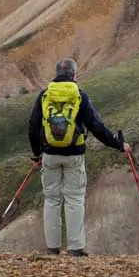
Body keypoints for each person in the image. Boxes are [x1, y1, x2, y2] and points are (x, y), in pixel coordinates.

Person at [28, 58, 131, 257]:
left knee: (51, 200)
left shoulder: (44, 96)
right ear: (75, 75)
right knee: (74, 199)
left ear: (57, 74)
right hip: (74, 156)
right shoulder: (80, 97)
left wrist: (37, 153)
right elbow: (97, 126)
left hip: (49, 154)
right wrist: (118, 144)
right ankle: (75, 248)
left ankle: (52, 248)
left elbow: (32, 127)